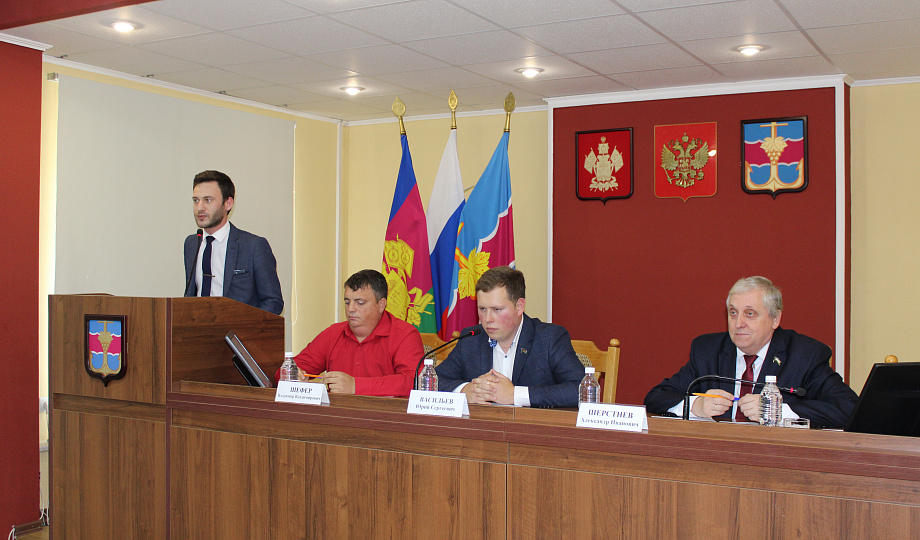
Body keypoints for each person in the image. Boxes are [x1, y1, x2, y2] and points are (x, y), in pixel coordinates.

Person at [644, 276, 858, 428]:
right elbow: (656, 397)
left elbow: (850, 409)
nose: (738, 323)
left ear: (775, 319)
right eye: (733, 313)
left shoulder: (805, 354)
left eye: (750, 314)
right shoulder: (708, 350)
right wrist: (695, 406)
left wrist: (779, 412)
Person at [435, 266, 585, 408]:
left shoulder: (549, 338)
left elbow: (582, 389)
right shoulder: (471, 339)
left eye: (497, 309)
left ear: (519, 306)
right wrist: (465, 390)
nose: (487, 319)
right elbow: (433, 380)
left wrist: (515, 395)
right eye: (482, 309)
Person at [288, 269, 423, 397]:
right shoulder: (333, 333)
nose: (350, 309)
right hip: (338, 412)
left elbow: (414, 382)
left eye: (360, 303)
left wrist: (356, 386)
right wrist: (293, 374)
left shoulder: (404, 335)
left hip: (385, 413)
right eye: (347, 302)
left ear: (381, 305)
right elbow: (286, 371)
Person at [183, 170, 283, 315]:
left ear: (228, 203)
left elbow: (273, 302)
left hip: (239, 328)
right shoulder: (191, 244)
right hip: (199, 328)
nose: (200, 208)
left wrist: (241, 325)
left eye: (208, 200)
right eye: (196, 200)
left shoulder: (254, 246)